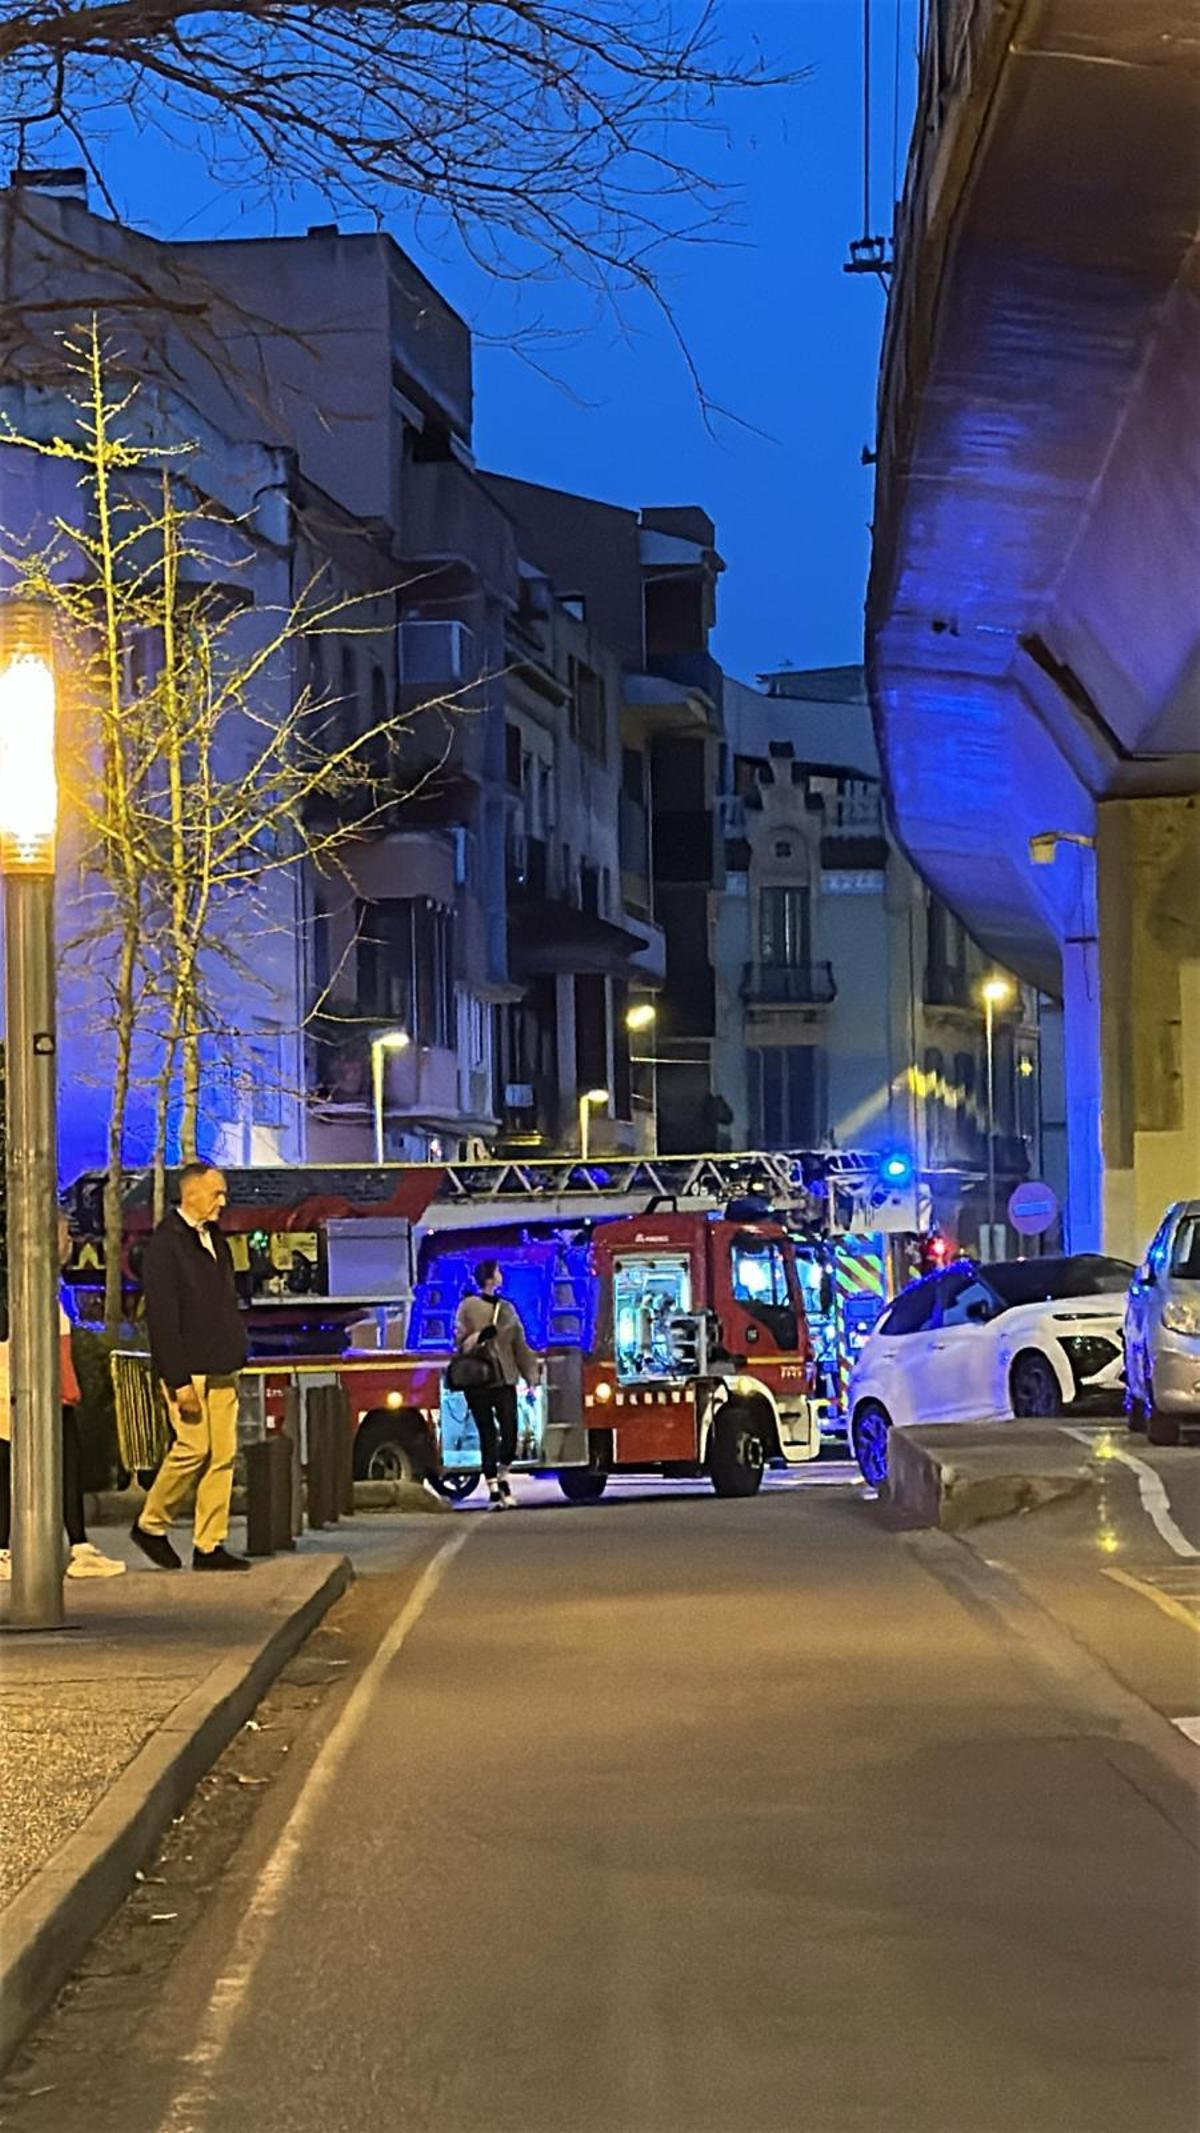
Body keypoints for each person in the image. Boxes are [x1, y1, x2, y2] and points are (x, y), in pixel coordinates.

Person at [131, 1161, 250, 1572]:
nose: (223, 1200)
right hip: (191, 1369)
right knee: (192, 1448)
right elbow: (163, 1319)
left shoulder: (213, 1238)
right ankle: (150, 1524)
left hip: (222, 1364)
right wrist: (177, 1381)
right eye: (216, 1192)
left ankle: (209, 1543)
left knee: (223, 1455)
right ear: (191, 1193)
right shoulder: (166, 1246)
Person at [0, 1218, 126, 1580]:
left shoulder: (51, 1284)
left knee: (68, 1462)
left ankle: (79, 1545)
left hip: (53, 1390)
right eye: (64, 1233)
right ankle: (7, 1549)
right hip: (23, 1390)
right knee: (11, 1465)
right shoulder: (24, 1283)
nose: (71, 1241)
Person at [453, 1259, 540, 1510]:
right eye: (498, 1271)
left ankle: (503, 1475)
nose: (502, 1275)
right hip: (478, 1379)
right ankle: (493, 1486)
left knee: (510, 1430)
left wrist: (530, 1377)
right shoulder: (468, 1306)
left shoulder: (507, 1309)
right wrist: (479, 1337)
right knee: (487, 1432)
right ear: (490, 1277)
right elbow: (458, 1342)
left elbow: (520, 1345)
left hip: (505, 1378)